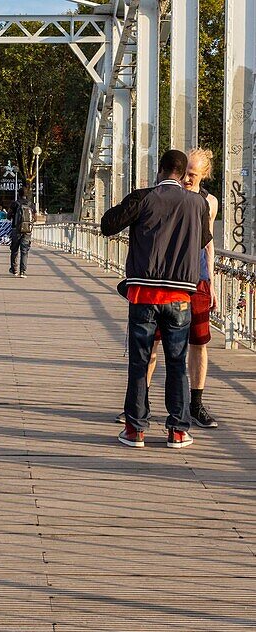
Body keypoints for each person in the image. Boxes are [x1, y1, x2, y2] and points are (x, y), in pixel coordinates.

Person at [101, 149, 210, 450]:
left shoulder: (144, 198)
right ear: (182, 172)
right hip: (180, 296)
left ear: (161, 170)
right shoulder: (198, 203)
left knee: (139, 362)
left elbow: (108, 225)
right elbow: (202, 241)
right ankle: (178, 430)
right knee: (177, 364)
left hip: (144, 294)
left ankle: (135, 430)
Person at [5, 185, 34, 277]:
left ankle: (14, 270)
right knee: (24, 251)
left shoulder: (15, 203)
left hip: (16, 229)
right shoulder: (30, 204)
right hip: (27, 231)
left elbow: (8, 216)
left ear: (18, 194)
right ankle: (23, 272)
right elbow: (35, 218)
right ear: (27, 194)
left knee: (14, 250)